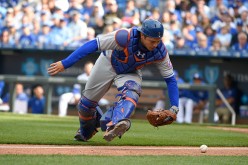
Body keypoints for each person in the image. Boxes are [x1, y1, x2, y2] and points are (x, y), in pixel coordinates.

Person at [47, 18, 179, 142]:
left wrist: (174, 107)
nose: (156, 44)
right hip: (108, 62)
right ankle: (90, 127)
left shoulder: (161, 52)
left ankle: (118, 122)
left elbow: (171, 79)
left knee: (132, 91)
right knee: (85, 106)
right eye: (152, 41)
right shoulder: (124, 37)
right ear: (142, 35)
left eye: (158, 41)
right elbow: (93, 44)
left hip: (130, 71)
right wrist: (66, 63)